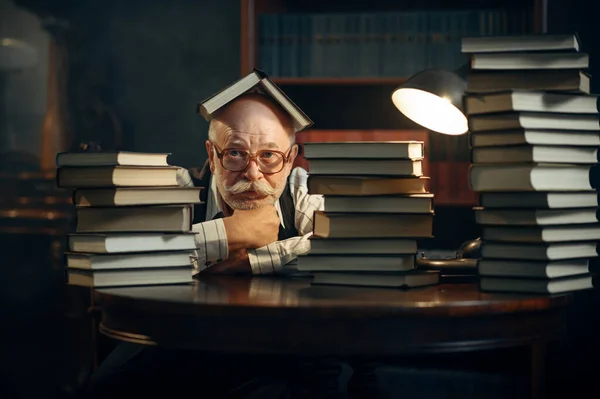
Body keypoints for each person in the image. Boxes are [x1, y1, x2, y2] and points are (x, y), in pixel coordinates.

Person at [81, 92, 367, 399]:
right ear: (212, 156)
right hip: (178, 347)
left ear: (291, 158)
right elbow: (120, 260)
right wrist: (227, 235)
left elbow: (353, 246)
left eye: (269, 156)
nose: (253, 173)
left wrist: (252, 260)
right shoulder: (180, 188)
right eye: (235, 153)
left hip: (285, 350)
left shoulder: (300, 189)